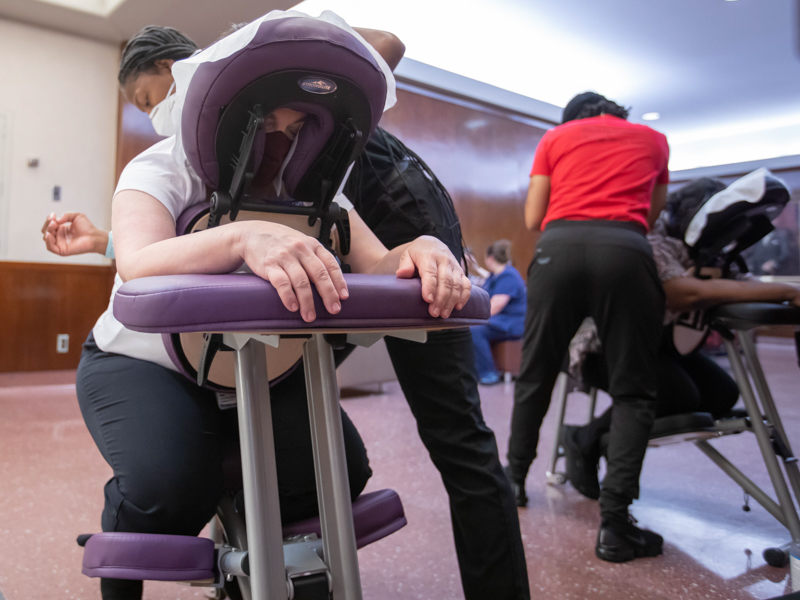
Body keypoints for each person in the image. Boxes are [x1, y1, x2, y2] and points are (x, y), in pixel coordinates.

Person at [46, 19, 529, 600]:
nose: (282, 139)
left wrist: (423, 248)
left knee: (338, 472)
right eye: (270, 123)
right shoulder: (160, 166)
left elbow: (379, 263)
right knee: (171, 488)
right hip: (144, 364)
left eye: (297, 126)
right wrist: (244, 237)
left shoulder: (318, 189)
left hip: (258, 364)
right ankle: (128, 522)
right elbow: (140, 261)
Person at [562, 177, 800, 501]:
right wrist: (786, 290)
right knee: (678, 396)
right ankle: (584, 439)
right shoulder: (651, 234)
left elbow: (740, 281)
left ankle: (605, 438)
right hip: (603, 345)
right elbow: (682, 293)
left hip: (656, 343)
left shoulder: (707, 247)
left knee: (723, 393)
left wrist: (787, 294)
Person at [506, 91, 669, 563]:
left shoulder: (555, 137)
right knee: (634, 391)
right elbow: (650, 215)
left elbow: (534, 217)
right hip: (625, 250)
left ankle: (514, 481)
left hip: (559, 249)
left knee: (535, 372)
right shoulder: (655, 140)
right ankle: (615, 526)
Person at [470, 240, 526, 385]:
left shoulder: (509, 276)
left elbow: (495, 306)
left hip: (511, 323)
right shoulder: (493, 277)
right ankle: (473, 371)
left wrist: (473, 319)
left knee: (475, 330)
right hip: (498, 321)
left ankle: (489, 373)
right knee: (467, 329)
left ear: (490, 259)